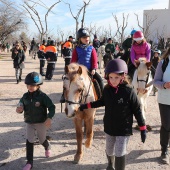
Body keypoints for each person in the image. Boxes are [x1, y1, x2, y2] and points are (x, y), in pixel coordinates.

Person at [79, 59, 146, 170]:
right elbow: (101, 102)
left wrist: (143, 128)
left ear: (123, 77)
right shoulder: (107, 90)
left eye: (116, 77)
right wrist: (85, 106)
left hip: (123, 128)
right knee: (109, 149)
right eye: (111, 77)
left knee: (120, 152)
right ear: (107, 77)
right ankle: (110, 164)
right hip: (109, 126)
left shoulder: (129, 92)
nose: (113, 80)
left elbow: (137, 110)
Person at [16, 72, 55, 170]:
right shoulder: (25, 96)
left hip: (41, 122)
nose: (30, 87)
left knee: (42, 139)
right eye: (29, 85)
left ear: (38, 85)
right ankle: (29, 162)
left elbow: (52, 107)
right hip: (29, 122)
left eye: (33, 85)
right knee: (29, 140)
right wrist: (19, 109)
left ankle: (47, 146)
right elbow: (20, 104)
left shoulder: (43, 97)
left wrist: (49, 117)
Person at [71, 28, 104, 92]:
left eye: (88, 37)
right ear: (79, 39)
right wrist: (73, 69)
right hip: (79, 71)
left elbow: (94, 60)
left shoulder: (92, 48)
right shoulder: (76, 49)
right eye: (84, 37)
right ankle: (64, 95)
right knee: (68, 80)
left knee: (100, 80)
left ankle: (102, 96)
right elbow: (73, 61)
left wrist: (94, 69)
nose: (87, 39)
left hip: (90, 71)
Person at [153, 47, 170, 165]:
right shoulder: (163, 63)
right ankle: (164, 150)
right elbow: (155, 81)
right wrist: (164, 84)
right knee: (167, 125)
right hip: (165, 100)